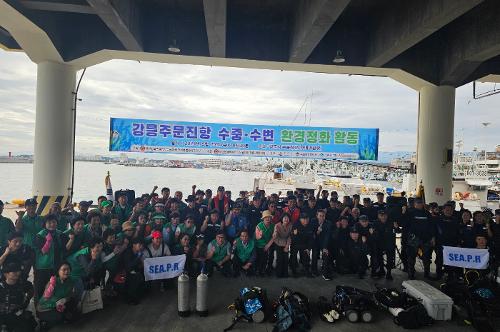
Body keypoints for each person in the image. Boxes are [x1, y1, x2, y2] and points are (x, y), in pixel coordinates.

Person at [37, 262, 78, 331]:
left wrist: (65, 299)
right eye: (64, 269)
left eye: (68, 269)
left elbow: (70, 294)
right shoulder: (53, 281)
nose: (66, 271)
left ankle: (63, 316)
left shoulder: (70, 281)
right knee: (59, 317)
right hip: (46, 308)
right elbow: (46, 297)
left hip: (59, 305)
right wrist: (52, 285)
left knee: (73, 305)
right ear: (58, 271)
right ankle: (44, 323)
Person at [402, 198, 435, 280]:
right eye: (418, 202)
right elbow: (404, 224)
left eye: (421, 202)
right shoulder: (409, 213)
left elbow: (432, 226)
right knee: (411, 257)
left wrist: (432, 237)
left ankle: (427, 274)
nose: (419, 204)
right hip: (414, 239)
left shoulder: (427, 213)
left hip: (426, 239)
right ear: (414, 204)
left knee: (427, 258)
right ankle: (411, 274)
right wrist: (403, 213)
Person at [34, 214, 64, 300]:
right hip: (43, 267)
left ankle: (51, 306)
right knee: (40, 288)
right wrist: (48, 241)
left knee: (54, 287)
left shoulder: (60, 233)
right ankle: (39, 308)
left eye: (54, 222)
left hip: (57, 266)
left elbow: (64, 248)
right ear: (45, 224)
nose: (52, 224)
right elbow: (43, 251)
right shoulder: (40, 235)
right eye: (49, 222)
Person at [0, 262, 36, 332]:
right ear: (6, 274)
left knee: (27, 326)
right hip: (2, 315)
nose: (17, 273)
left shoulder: (23, 284)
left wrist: (27, 300)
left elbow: (31, 290)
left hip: (16, 314)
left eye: (18, 271)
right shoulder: (1, 286)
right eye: (13, 271)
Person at [435, 202, 461, 280]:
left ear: (453, 210)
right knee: (439, 260)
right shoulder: (438, 219)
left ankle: (449, 275)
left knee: (450, 260)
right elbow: (434, 230)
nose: (448, 211)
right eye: (447, 209)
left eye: (450, 210)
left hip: (452, 243)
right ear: (443, 210)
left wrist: (458, 242)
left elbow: (458, 232)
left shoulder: (455, 220)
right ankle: (438, 275)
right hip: (440, 243)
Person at [373, 210, 398, 280]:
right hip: (379, 243)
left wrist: (396, 227)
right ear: (378, 216)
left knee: (390, 259)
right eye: (381, 215)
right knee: (379, 258)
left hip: (389, 243)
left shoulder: (391, 222)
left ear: (387, 216)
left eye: (384, 215)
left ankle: (389, 273)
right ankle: (381, 270)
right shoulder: (375, 223)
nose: (383, 217)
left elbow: (398, 231)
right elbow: (374, 234)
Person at [121, 238, 145, 305]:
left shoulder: (138, 252)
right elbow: (129, 266)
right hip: (124, 272)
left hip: (133, 270)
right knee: (135, 278)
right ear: (134, 245)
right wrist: (138, 258)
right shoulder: (128, 252)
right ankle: (131, 298)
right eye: (139, 245)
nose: (141, 247)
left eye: (142, 245)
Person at [290, 213, 314, 278]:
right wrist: (296, 235)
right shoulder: (296, 224)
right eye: (303, 219)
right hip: (295, 243)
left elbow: (311, 238)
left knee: (306, 255)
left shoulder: (310, 225)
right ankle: (294, 271)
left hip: (305, 244)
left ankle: (306, 270)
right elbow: (293, 237)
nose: (305, 220)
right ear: (300, 219)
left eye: (307, 219)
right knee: (293, 256)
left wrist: (309, 248)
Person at [311, 209, 332, 279]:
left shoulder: (328, 223)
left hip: (324, 242)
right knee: (315, 253)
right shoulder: (313, 221)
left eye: (323, 216)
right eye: (320, 216)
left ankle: (325, 273)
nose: (322, 217)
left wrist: (325, 247)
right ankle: (314, 270)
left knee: (326, 253)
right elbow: (311, 233)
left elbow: (327, 236)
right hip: (315, 241)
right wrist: (317, 233)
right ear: (317, 216)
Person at [254, 210, 275, 277]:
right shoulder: (259, 226)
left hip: (267, 244)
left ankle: (263, 270)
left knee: (265, 258)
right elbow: (257, 238)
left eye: (269, 217)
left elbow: (273, 237)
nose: (268, 219)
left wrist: (268, 245)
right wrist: (260, 235)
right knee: (259, 258)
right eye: (266, 217)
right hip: (259, 244)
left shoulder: (273, 225)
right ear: (263, 218)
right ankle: (257, 270)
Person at [273, 213, 292, 278]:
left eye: (287, 218)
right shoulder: (277, 225)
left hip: (286, 243)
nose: (286, 219)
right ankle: (278, 274)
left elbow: (290, 236)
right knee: (280, 259)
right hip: (278, 243)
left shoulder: (290, 225)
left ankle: (285, 274)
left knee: (286, 259)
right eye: (284, 218)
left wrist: (287, 246)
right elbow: (275, 235)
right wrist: (275, 234)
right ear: (282, 219)